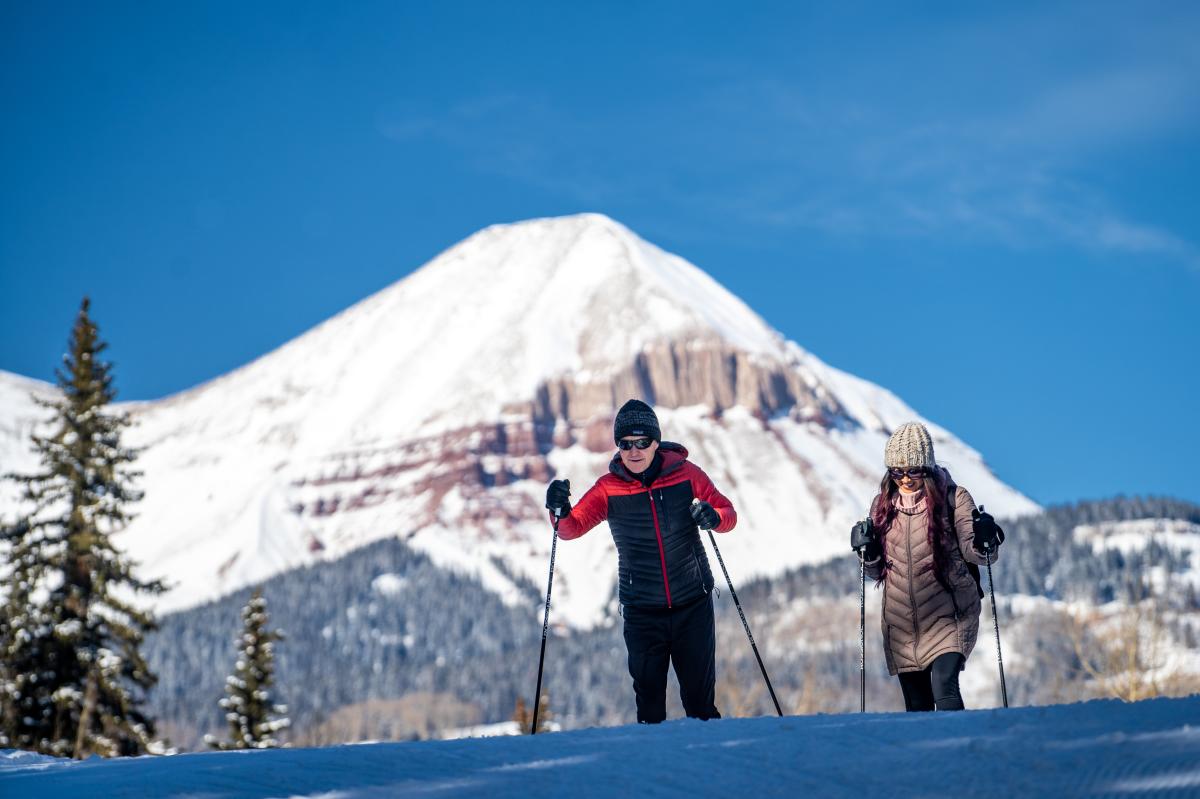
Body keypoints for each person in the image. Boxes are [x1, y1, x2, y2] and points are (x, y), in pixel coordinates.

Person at [544, 399, 737, 723]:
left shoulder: (687, 475)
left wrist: (711, 517)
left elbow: (728, 513)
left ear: (656, 442)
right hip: (643, 613)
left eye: (642, 442)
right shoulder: (608, 489)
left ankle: (710, 769)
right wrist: (557, 509)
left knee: (700, 706)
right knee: (649, 709)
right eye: (625, 444)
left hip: (693, 604)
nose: (634, 451)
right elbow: (570, 528)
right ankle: (655, 773)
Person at [850, 421, 1004, 712]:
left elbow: (978, 555)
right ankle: (927, 757)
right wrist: (867, 552)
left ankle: (956, 749)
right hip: (902, 624)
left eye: (914, 471)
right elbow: (874, 571)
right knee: (917, 703)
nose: (905, 479)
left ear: (928, 469)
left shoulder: (953, 498)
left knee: (944, 686)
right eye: (897, 471)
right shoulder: (882, 505)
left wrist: (986, 540)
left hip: (951, 614)